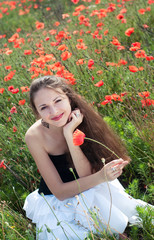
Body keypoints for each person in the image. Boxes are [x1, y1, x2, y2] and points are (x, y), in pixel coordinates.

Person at [23, 75, 151, 240]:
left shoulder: (84, 120)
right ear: (37, 112)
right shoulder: (34, 136)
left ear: (69, 98)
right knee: (70, 234)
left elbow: (85, 175)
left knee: (130, 215)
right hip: (58, 198)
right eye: (44, 107)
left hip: (92, 187)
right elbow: (60, 193)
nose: (54, 112)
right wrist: (100, 176)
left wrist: (70, 135)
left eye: (57, 101)